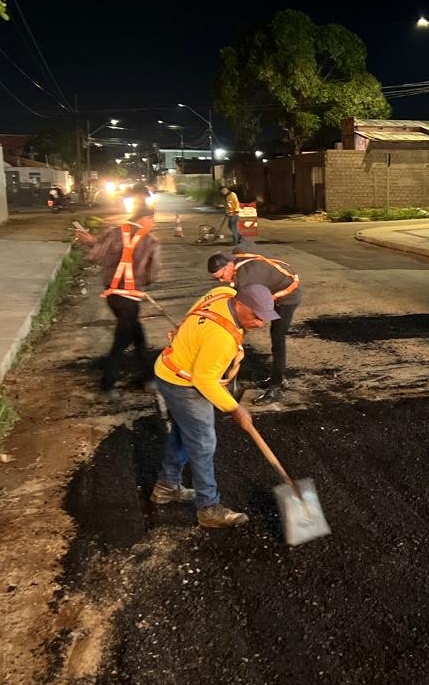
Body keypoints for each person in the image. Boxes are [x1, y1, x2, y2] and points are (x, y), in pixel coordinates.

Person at [151, 283, 279, 528]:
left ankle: (166, 487)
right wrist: (234, 408)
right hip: (183, 382)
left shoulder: (224, 292)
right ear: (240, 304)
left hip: (169, 368)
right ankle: (208, 508)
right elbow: (204, 380)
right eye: (255, 316)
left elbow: (193, 313)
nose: (260, 324)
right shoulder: (221, 337)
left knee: (184, 431)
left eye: (264, 318)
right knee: (202, 441)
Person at [79, 202, 161, 396]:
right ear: (143, 219)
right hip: (130, 300)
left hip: (113, 297)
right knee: (122, 341)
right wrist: (141, 281)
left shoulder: (115, 233)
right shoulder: (150, 242)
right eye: (152, 220)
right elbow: (153, 273)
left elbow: (96, 256)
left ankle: (148, 377)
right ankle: (107, 383)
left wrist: (91, 242)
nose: (153, 224)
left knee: (138, 337)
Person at [207, 244, 302, 403]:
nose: (222, 280)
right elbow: (245, 242)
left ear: (230, 265)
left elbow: (247, 316)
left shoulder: (248, 280)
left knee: (277, 339)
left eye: (222, 275)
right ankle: (278, 376)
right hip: (271, 289)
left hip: (288, 299)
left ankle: (277, 387)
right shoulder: (237, 255)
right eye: (217, 278)